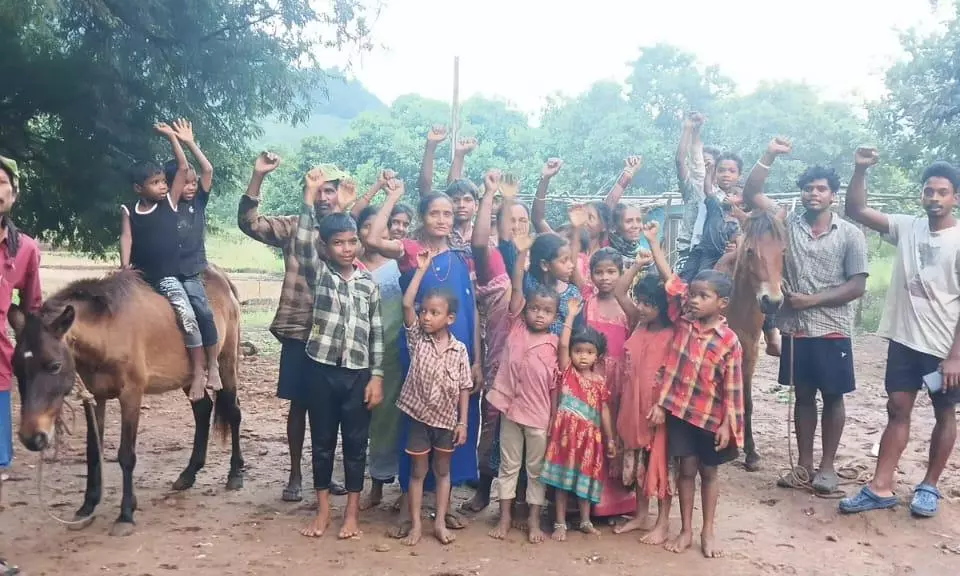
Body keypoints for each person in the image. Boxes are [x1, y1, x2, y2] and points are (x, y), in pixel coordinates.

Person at [742, 138, 868, 494]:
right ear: (801, 194)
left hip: (832, 328)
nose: (814, 194)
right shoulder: (787, 225)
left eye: (822, 189)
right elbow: (752, 193)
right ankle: (804, 465)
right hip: (796, 329)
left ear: (833, 195)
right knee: (802, 396)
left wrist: (812, 301)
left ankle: (827, 467)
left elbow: (857, 285)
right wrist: (768, 155)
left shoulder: (851, 235)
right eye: (809, 188)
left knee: (832, 396)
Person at [841, 149, 960, 518]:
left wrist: (956, 356)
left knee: (944, 413)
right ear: (922, 195)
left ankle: (929, 486)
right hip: (905, 344)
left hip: (943, 350)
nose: (935, 198)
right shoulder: (908, 226)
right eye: (929, 191)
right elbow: (857, 210)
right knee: (897, 409)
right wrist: (860, 170)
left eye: (942, 192)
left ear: (955, 196)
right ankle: (881, 486)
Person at [366, 179, 481, 537]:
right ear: (423, 216)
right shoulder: (411, 249)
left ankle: (441, 508)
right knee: (413, 423)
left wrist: (476, 358)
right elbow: (370, 240)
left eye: (448, 214)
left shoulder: (463, 255)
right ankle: (408, 504)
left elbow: (474, 309)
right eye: (435, 213)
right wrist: (393, 196)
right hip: (417, 353)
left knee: (453, 427)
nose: (443, 219)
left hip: (458, 353)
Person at [237, 152, 349, 500]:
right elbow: (249, 222)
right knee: (299, 404)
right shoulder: (292, 226)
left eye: (330, 190)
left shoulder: (347, 229)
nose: (324, 197)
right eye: (317, 190)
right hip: (299, 329)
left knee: (332, 406)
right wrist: (258, 176)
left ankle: (323, 474)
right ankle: (295, 474)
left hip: (335, 332)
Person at [292, 168, 384, 539]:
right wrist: (309, 196)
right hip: (321, 369)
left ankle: (351, 516)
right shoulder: (321, 274)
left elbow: (376, 332)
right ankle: (324, 512)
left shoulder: (367, 283)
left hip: (358, 374)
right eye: (339, 243)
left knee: (356, 446)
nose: (347, 248)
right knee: (323, 442)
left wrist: (376, 377)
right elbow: (301, 243)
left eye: (351, 242)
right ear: (327, 248)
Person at [646, 221, 744, 559]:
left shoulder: (729, 341)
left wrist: (729, 423)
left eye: (704, 297)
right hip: (679, 411)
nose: (695, 301)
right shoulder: (684, 322)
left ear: (722, 303)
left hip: (711, 417)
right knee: (684, 469)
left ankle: (708, 530)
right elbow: (671, 282)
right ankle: (686, 529)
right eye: (694, 295)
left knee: (709, 472)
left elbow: (733, 388)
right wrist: (653, 241)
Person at [120, 123, 206, 400]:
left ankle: (198, 370)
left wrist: (173, 138)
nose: (162, 186)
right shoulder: (129, 210)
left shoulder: (169, 203)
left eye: (162, 182)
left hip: (167, 278)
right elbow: (126, 238)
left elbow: (182, 168)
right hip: (139, 278)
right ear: (138, 188)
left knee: (188, 316)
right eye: (155, 183)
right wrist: (124, 268)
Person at [486, 233, 560, 544]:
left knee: (536, 470)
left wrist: (555, 418)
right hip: (510, 409)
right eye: (534, 308)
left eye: (546, 311)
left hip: (540, 416)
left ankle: (532, 520)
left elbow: (556, 386)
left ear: (554, 317)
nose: (539, 314)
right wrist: (523, 252)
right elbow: (517, 286)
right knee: (508, 466)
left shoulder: (556, 344)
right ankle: (504, 517)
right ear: (525, 309)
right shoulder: (516, 324)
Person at [396, 248, 472, 546]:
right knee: (418, 472)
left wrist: (463, 423)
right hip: (418, 418)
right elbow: (406, 303)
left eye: (434, 313)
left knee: (443, 472)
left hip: (445, 421)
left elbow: (465, 387)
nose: (426, 317)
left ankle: (439, 522)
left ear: (450, 318)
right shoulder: (417, 339)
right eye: (424, 311)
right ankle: (416, 524)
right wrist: (422, 269)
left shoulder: (460, 350)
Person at [463, 170, 520, 515]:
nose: (516, 226)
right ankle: (484, 491)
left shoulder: (542, 271)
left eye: (522, 221)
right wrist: (491, 195)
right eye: (511, 220)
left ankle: (522, 501)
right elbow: (480, 243)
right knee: (493, 427)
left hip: (536, 367)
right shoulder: (494, 268)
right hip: (499, 365)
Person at [569, 237, 635, 519]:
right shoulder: (587, 301)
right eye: (599, 272)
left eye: (612, 272)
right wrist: (574, 230)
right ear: (591, 275)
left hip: (619, 380)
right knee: (591, 435)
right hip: (591, 377)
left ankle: (618, 501)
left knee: (615, 435)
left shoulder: (628, 306)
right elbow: (573, 267)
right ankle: (587, 499)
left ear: (621, 274)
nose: (605, 278)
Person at [541, 306, 615, 542]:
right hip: (566, 436)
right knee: (562, 482)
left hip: (590, 438)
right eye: (578, 351)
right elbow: (562, 345)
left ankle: (585, 521)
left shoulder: (600, 381)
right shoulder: (568, 372)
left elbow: (603, 409)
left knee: (585, 482)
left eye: (589, 352)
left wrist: (610, 438)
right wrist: (570, 316)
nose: (583, 356)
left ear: (597, 356)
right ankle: (560, 522)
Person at [612, 264, 673, 544]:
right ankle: (640, 515)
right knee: (637, 462)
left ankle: (662, 522)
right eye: (641, 301)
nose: (643, 308)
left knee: (660, 467)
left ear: (664, 306)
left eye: (649, 304)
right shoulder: (638, 324)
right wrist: (637, 264)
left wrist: (663, 406)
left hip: (657, 411)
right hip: (631, 408)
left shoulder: (674, 333)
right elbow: (618, 290)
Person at [165, 118, 223, 395]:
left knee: (201, 310)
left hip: (190, 271)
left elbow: (207, 169)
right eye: (185, 183)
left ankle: (211, 366)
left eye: (193, 183)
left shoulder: (199, 202)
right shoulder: (169, 205)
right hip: (166, 271)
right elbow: (182, 170)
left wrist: (187, 141)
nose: (190, 186)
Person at [0, 156, 42, 526]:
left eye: (1, 183)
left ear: (13, 195)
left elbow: (32, 312)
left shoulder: (24, 249)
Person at [354, 204, 404, 511]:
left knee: (388, 421)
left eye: (381, 225)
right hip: (355, 354)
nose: (375, 231)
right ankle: (357, 483)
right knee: (360, 422)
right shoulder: (348, 264)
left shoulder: (400, 265)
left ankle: (381, 483)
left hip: (391, 356)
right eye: (366, 225)